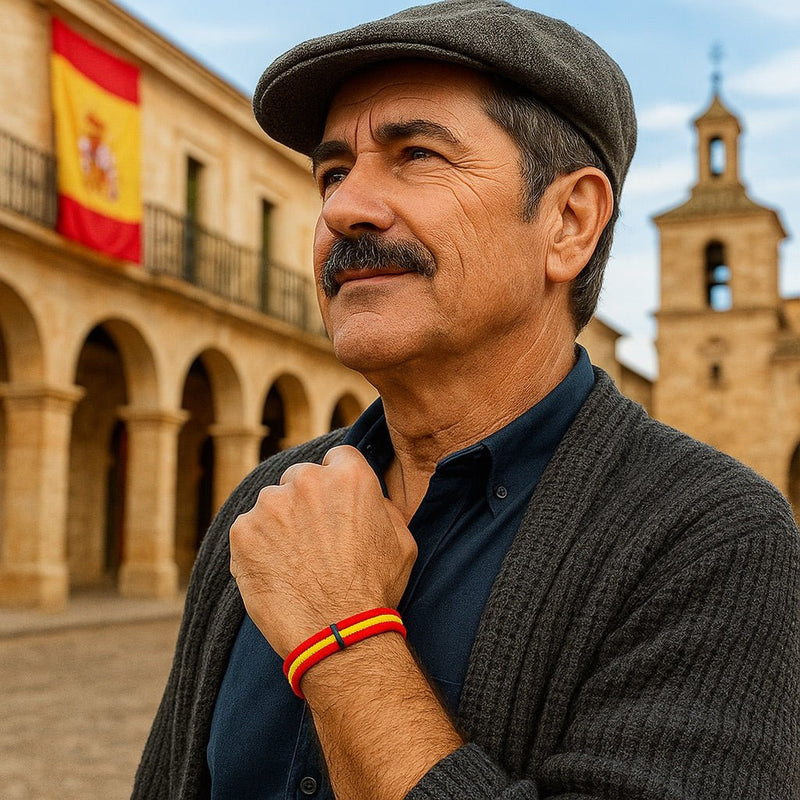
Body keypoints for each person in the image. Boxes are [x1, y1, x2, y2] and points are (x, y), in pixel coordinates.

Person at [133, 2, 800, 798]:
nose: (342, 209)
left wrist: (344, 640)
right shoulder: (265, 504)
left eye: (416, 154)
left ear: (569, 221)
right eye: (334, 173)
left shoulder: (719, 542)